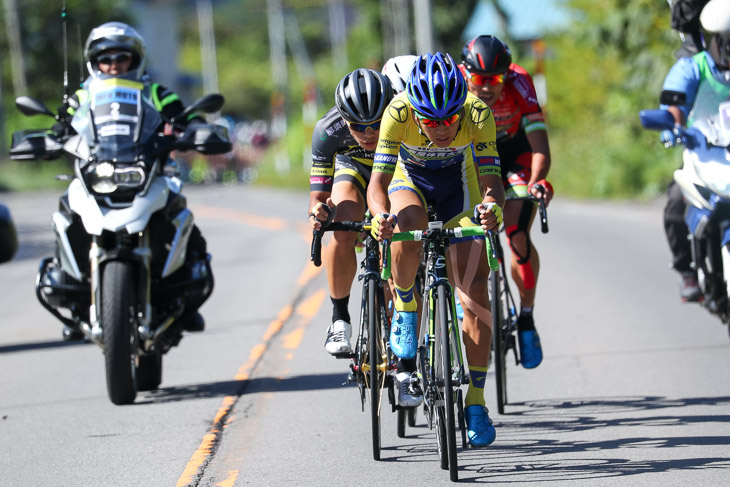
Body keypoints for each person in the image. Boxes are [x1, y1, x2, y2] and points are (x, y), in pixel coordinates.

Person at [367, 52, 505, 447]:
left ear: (461, 108)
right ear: (415, 110)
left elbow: (489, 175)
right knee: (406, 227)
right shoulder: (398, 112)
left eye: (449, 119)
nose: (442, 129)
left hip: (460, 188)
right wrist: (379, 216)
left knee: (475, 291)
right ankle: (408, 310)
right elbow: (377, 184)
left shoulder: (477, 113)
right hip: (408, 181)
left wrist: (491, 207)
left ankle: (476, 403)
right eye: (430, 120)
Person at [58, 21, 209, 339]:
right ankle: (75, 299)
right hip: (95, 175)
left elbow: (187, 117)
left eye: (121, 57)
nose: (113, 65)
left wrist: (195, 130)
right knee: (65, 213)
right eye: (106, 58)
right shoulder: (82, 95)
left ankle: (188, 299)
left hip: (149, 173)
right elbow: (60, 125)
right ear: (94, 62)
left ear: (135, 58)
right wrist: (48, 137)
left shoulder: (154, 92)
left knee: (182, 217)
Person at [460, 35, 553, 369]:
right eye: (480, 80)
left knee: (516, 234)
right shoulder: (454, 84)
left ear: (506, 75)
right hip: (471, 158)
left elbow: (540, 146)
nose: (487, 88)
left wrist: (536, 181)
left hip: (513, 153)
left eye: (495, 80)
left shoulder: (520, 80)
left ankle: (526, 318)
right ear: (464, 72)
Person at [307, 69, 395, 359]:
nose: (369, 133)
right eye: (359, 126)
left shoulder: (405, 115)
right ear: (344, 119)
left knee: (397, 234)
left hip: (393, 170)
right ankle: (339, 319)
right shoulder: (327, 129)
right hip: (352, 168)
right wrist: (319, 213)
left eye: (376, 124)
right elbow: (319, 197)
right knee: (343, 223)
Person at [660, 0, 730, 301]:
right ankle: (686, 270)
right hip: (705, 156)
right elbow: (674, 104)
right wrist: (673, 124)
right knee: (676, 205)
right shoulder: (692, 66)